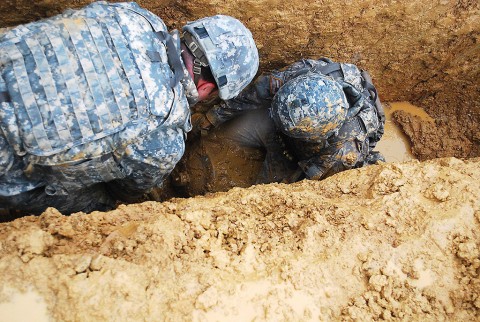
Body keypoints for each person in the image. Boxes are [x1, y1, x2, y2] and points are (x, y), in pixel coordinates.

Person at [0, 1, 259, 215]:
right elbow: (126, 190)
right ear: (206, 89)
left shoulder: (133, 15)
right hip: (7, 167)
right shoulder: (164, 139)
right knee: (101, 205)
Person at [171, 58, 385, 196]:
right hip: (287, 121)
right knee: (235, 129)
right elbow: (259, 92)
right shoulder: (305, 74)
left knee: (268, 189)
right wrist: (213, 117)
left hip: (309, 152)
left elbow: (307, 185)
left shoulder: (341, 152)